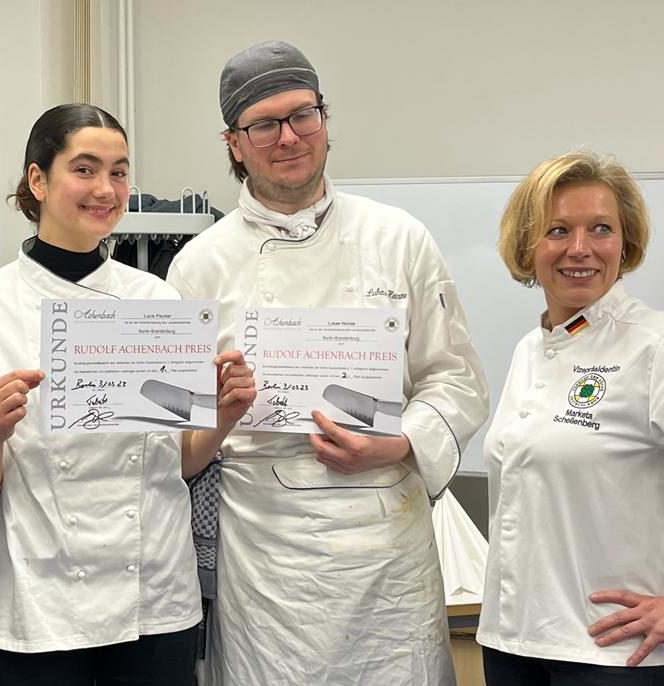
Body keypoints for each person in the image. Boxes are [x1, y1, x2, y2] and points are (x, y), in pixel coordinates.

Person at [165, 40, 489, 684]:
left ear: (324, 120)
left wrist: (400, 443)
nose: (288, 137)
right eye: (264, 124)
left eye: (303, 114)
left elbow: (456, 379)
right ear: (233, 141)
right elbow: (175, 433)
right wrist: (224, 413)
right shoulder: (198, 265)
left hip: (386, 543)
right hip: (265, 557)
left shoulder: (398, 238)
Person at [0, 103, 255, 686]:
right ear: (37, 179)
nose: (106, 189)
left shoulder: (158, 304)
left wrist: (226, 415)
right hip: (39, 605)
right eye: (84, 169)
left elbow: (179, 460)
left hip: (155, 597)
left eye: (119, 171)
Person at [477, 151, 664, 684]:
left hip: (613, 654)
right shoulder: (529, 350)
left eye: (600, 229)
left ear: (624, 244)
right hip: (512, 641)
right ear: (528, 246)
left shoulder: (653, 346)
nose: (579, 249)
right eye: (558, 230)